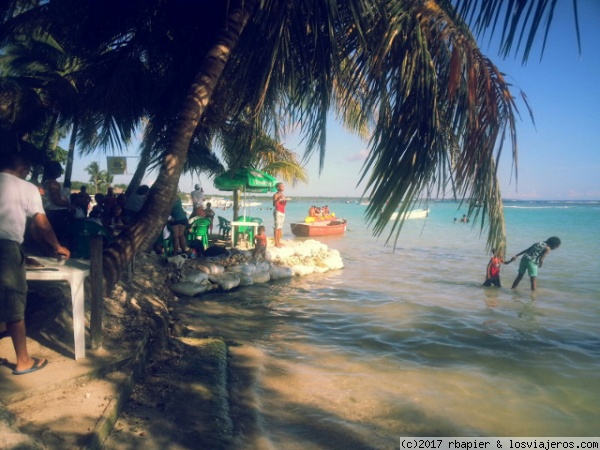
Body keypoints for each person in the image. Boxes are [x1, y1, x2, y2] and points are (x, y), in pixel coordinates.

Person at [0, 146, 70, 375]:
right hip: (6, 246)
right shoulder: (27, 188)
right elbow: (40, 223)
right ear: (22, 169)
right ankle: (23, 361)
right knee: (14, 302)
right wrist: (57, 246)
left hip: (11, 246)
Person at [41, 161, 72, 245]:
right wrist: (69, 205)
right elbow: (57, 201)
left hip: (50, 212)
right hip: (57, 214)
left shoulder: (45, 183)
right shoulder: (53, 184)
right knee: (58, 236)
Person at [272, 182, 288, 248]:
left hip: (282, 212)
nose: (283, 187)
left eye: (283, 186)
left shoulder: (282, 195)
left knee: (280, 228)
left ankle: (278, 241)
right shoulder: (276, 195)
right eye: (281, 186)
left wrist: (285, 200)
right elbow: (274, 204)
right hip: (278, 211)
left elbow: (284, 204)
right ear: (278, 187)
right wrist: (278, 198)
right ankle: (276, 243)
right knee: (277, 227)